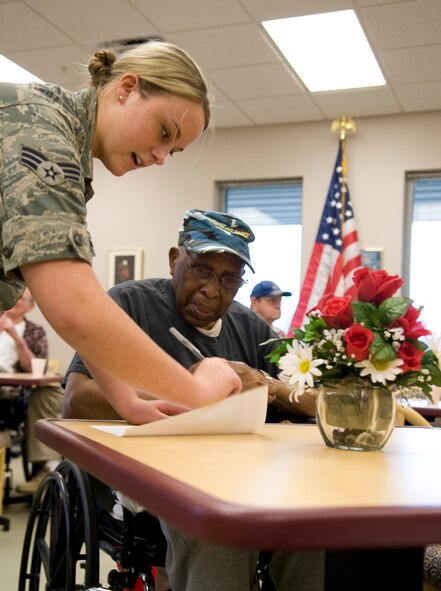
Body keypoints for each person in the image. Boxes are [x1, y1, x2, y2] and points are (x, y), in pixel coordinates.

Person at [63, 208, 322, 591]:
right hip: (154, 475)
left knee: (313, 524)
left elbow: (311, 397)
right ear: (174, 260)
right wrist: (191, 390)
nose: (213, 290)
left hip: (245, 474)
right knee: (218, 526)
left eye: (229, 278)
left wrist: (263, 382)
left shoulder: (251, 327)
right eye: (202, 270)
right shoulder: (130, 304)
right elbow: (77, 400)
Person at [0, 40, 242, 423]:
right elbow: (74, 307)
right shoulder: (40, 126)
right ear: (126, 89)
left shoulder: (69, 154)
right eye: (164, 133)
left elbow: (80, 312)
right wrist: (194, 389)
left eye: (173, 151)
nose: (161, 158)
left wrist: (127, 401)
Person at [0, 289, 63, 493]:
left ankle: (48, 468)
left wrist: (15, 337)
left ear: (31, 306)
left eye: (22, 298)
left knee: (48, 394)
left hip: (12, 395)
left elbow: (35, 369)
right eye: (14, 294)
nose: (16, 300)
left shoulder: (34, 332)